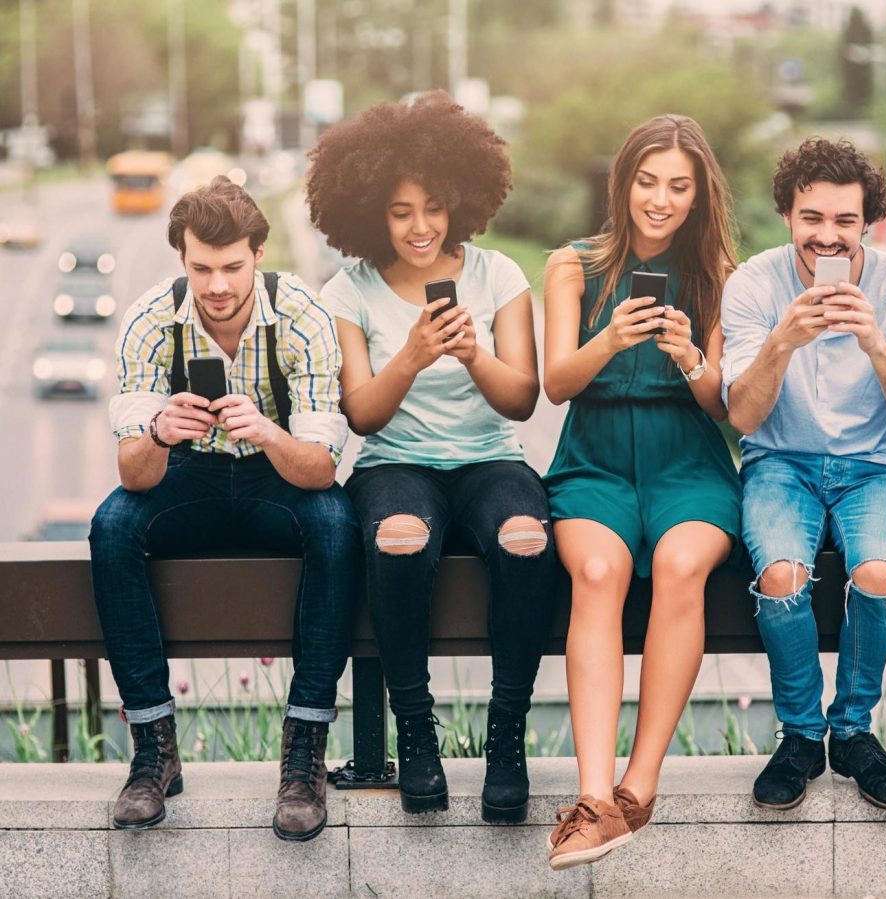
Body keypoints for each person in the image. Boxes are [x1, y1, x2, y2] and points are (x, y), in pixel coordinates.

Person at [306, 92, 558, 823]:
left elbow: (522, 400)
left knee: (526, 537)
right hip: (395, 465)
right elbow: (362, 413)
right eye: (400, 211)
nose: (421, 227)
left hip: (489, 457)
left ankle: (504, 737)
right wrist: (411, 356)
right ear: (368, 214)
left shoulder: (498, 276)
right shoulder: (345, 291)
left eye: (434, 207)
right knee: (399, 535)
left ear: (461, 201)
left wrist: (472, 351)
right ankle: (415, 729)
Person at [90, 176, 356, 842]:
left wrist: (267, 430)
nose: (216, 285)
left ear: (259, 255)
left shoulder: (301, 313)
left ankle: (304, 754)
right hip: (188, 474)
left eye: (232, 267)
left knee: (336, 524)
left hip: (278, 473)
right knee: (112, 525)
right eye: (201, 267)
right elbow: (132, 473)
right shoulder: (152, 318)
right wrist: (158, 432)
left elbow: (322, 469)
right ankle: (153, 749)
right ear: (181, 257)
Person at [541, 114, 741, 870]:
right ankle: (593, 796)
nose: (660, 199)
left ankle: (637, 787)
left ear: (698, 195)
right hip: (592, 455)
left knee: (685, 566)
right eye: (647, 181)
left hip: (686, 460)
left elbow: (721, 404)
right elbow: (555, 383)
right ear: (623, 184)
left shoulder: (719, 272)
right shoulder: (574, 266)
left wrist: (691, 356)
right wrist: (612, 338)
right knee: (597, 573)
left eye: (678, 186)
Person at [722, 137, 886, 812]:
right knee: (781, 577)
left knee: (879, 574)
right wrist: (782, 341)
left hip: (876, 464)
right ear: (788, 214)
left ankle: (852, 729)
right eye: (812, 217)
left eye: (845, 222)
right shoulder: (755, 283)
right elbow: (744, 417)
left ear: (869, 223)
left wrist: (875, 339)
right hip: (780, 460)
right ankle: (800, 733)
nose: (828, 236)